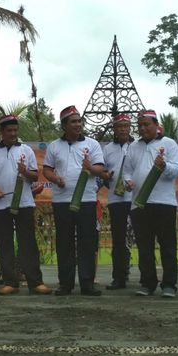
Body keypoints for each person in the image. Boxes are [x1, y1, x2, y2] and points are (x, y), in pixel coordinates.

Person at [0, 115, 51, 295]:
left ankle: (35, 282)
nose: (13, 134)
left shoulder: (26, 150)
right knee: (5, 244)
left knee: (27, 243)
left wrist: (25, 171)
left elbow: (35, 176)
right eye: (9, 131)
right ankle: (10, 283)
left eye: (15, 130)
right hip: (0, 204)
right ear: (1, 132)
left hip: (24, 203)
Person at [42, 106, 105, 296]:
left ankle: (87, 284)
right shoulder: (54, 146)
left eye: (79, 121)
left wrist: (89, 168)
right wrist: (55, 179)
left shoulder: (92, 144)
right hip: (61, 201)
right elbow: (46, 170)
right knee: (64, 243)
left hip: (86, 200)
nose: (78, 125)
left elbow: (100, 169)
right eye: (73, 122)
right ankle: (65, 284)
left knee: (87, 242)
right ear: (64, 126)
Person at [123, 110, 178, 298]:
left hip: (164, 202)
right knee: (144, 246)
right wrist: (128, 181)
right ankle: (148, 283)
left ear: (156, 125)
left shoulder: (169, 144)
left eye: (146, 124)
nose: (142, 128)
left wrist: (164, 166)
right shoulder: (133, 146)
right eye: (139, 125)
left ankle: (169, 285)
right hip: (139, 203)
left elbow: (177, 170)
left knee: (167, 245)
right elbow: (127, 171)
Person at [99, 113, 134, 290]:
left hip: (137, 199)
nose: (122, 129)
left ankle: (147, 277)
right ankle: (119, 278)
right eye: (119, 126)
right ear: (114, 129)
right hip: (116, 200)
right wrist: (106, 176)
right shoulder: (107, 149)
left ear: (130, 128)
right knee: (118, 240)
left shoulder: (137, 146)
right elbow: (102, 173)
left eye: (126, 126)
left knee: (144, 238)